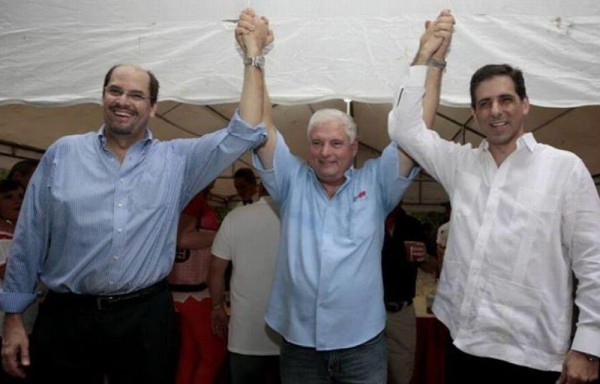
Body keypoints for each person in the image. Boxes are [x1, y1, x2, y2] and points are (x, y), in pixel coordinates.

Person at [0, 13, 273, 383]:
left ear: (153, 106)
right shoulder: (63, 154)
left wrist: (253, 56)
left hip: (145, 319)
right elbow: (29, 237)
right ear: (103, 96)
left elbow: (246, 131)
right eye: (115, 91)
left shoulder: (177, 161)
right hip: (68, 317)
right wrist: (13, 318)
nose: (123, 101)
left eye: (136, 95)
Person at [236, 8, 452, 383]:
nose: (325, 152)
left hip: (363, 345)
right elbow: (259, 125)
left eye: (336, 143)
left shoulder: (378, 183)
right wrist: (255, 57)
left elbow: (416, 132)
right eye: (317, 143)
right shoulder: (291, 182)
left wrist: (430, 61)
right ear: (307, 147)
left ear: (353, 149)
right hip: (300, 345)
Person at [388, 10, 600, 383]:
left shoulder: (564, 169)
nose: (496, 111)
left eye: (505, 100)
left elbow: (594, 262)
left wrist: (588, 345)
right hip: (463, 344)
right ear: (474, 113)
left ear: (525, 104)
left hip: (532, 357)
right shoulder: (461, 165)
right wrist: (427, 55)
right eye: (484, 104)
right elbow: (404, 129)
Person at [208, 184, 281, 384]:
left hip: (244, 334)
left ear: (259, 188)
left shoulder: (236, 217)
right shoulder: (301, 217)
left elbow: (216, 269)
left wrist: (216, 307)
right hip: (292, 335)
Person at [169, 182, 228, 384]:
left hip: (183, 288)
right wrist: (223, 235)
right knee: (213, 353)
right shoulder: (193, 198)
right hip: (194, 290)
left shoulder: (185, 196)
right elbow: (182, 239)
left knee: (190, 352)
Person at [381, 203, 427, 384]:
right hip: (368, 313)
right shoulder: (368, 221)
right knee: (368, 372)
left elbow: (431, 266)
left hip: (401, 311)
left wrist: (425, 257)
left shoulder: (412, 225)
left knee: (401, 374)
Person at [0, 180, 28, 384]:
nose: (16, 201)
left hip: (26, 316)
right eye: (8, 197)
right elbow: (9, 272)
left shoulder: (22, 233)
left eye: (20, 196)